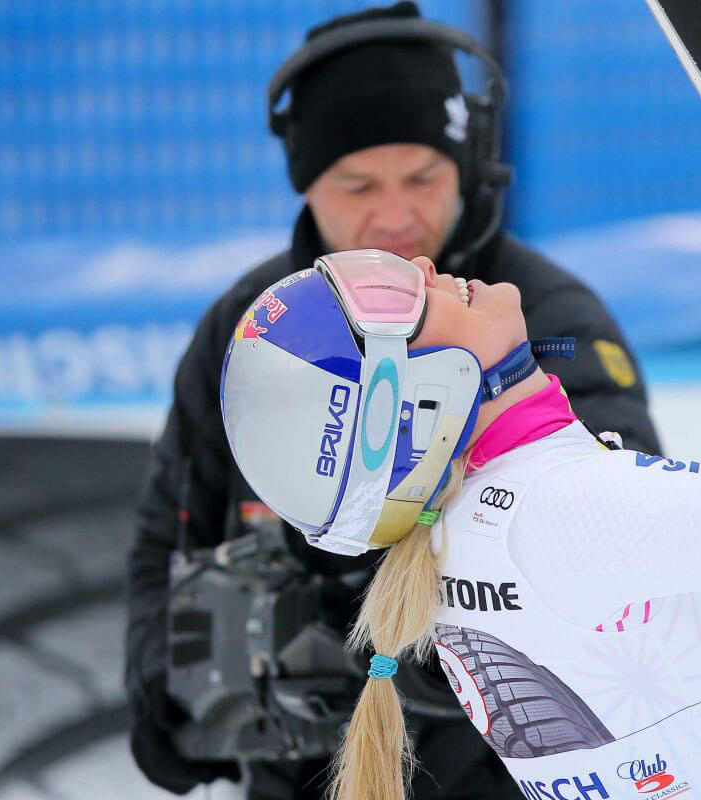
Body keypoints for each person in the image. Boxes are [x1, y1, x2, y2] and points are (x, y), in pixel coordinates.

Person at [217, 100, 701, 800]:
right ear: (411, 405)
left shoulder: (469, 537)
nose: (418, 268)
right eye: (389, 303)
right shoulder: (562, 509)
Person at [124, 3, 659, 799]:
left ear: (468, 168)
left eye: (424, 176)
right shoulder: (253, 327)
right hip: (293, 772)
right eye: (357, 184)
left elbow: (629, 555)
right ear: (308, 187)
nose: (396, 214)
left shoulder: (548, 321)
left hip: (505, 774)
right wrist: (167, 694)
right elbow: (164, 534)